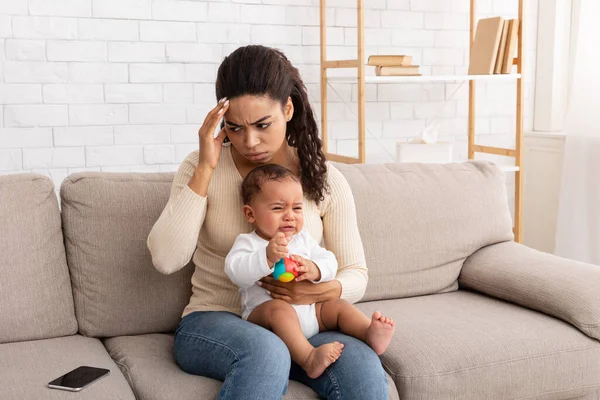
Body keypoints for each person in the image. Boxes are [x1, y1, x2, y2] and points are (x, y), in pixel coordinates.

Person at [147, 44, 389, 399]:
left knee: (364, 366)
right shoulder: (202, 168)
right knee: (266, 351)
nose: (250, 141)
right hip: (216, 320)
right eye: (234, 128)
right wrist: (205, 167)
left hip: (305, 323)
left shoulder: (324, 178)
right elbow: (166, 259)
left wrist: (315, 291)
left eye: (262, 125)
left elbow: (355, 272)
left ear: (288, 108)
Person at [225, 164, 395, 379]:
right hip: (267, 320)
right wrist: (266, 257)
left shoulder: (303, 239)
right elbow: (235, 272)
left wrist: (315, 269)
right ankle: (308, 358)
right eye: (278, 208)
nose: (289, 216)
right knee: (279, 309)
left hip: (312, 313)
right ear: (251, 214)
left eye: (296, 208)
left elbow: (330, 260)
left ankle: (368, 332)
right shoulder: (249, 243)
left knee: (338, 305)